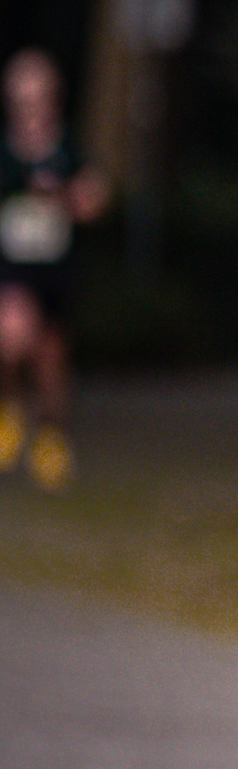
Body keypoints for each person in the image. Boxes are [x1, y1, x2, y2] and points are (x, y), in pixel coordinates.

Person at [0, 49, 109, 490]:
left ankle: (50, 434)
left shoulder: (69, 148)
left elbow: (95, 200)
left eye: (39, 97)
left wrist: (65, 197)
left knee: (50, 360)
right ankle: (8, 410)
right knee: (12, 336)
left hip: (57, 272)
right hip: (12, 269)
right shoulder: (4, 152)